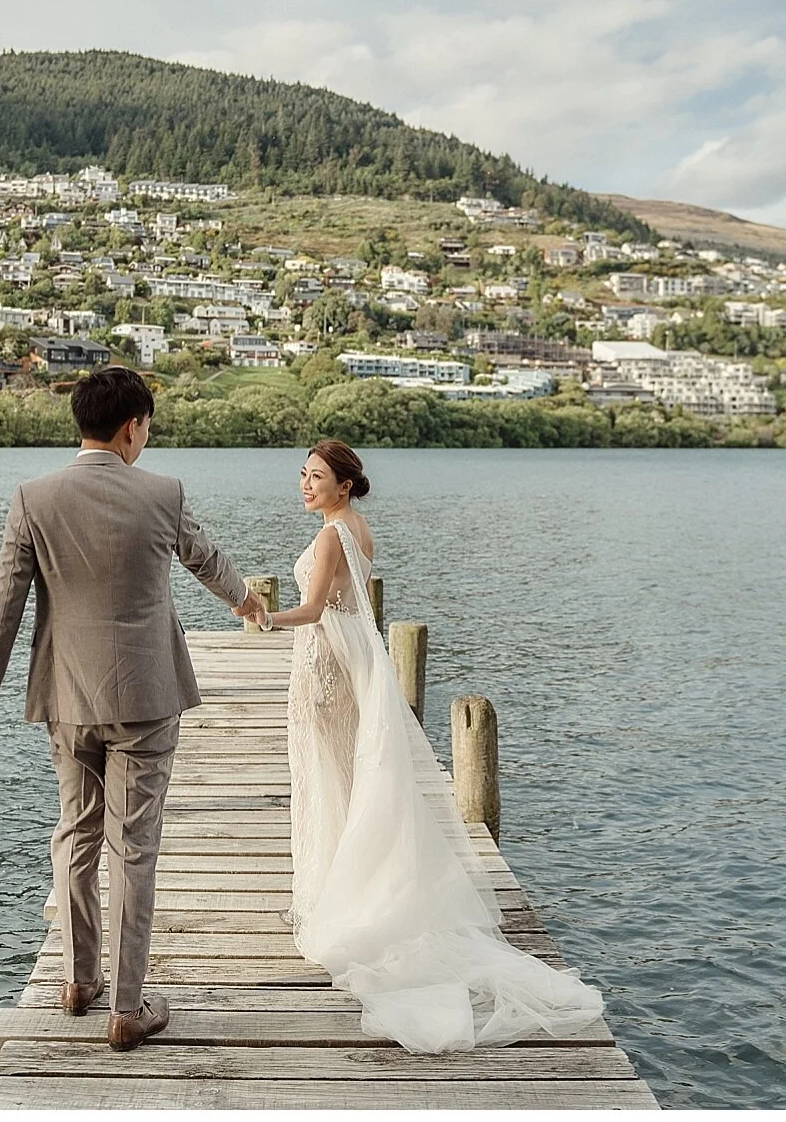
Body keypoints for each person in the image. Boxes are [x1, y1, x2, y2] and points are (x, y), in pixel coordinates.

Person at [259, 440, 608, 1053]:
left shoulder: (328, 537)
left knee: (327, 776)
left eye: (317, 477)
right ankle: (352, 882)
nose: (305, 485)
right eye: (303, 475)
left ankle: (338, 893)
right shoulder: (358, 530)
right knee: (347, 777)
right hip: (352, 663)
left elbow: (314, 609)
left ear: (344, 485)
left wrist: (262, 616)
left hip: (325, 668)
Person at [0, 366, 267, 1051]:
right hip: (147, 697)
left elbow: (4, 604)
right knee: (134, 847)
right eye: (147, 427)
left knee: (77, 833)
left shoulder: (33, 498)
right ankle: (127, 1008)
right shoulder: (162, 493)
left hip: (66, 699)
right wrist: (245, 600)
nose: (146, 439)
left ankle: (78, 981)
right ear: (132, 426)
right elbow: (205, 559)